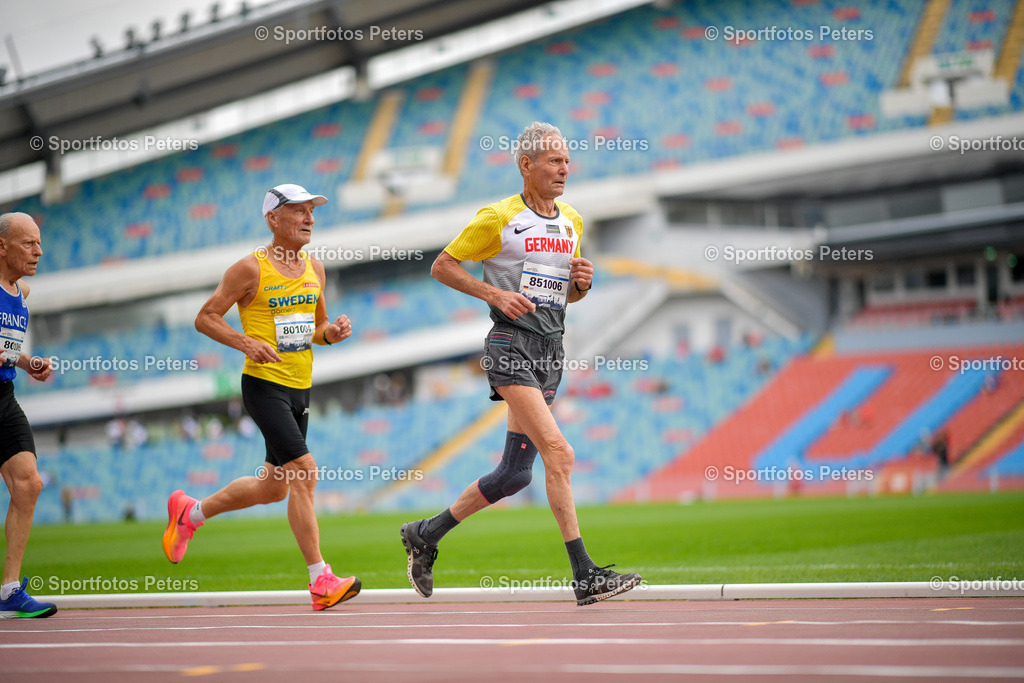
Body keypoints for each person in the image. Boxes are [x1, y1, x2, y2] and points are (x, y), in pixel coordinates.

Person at [401, 123, 642, 606]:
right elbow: (442, 265)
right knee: (561, 454)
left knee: (515, 475)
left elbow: (567, 294)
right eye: (554, 161)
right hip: (510, 345)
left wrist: (583, 282)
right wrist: (493, 293)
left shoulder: (571, 219)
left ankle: (425, 534)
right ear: (526, 165)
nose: (564, 170)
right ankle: (585, 575)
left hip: (552, 350)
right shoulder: (498, 217)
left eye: (568, 162)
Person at [162, 184, 360, 611]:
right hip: (263, 386)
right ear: (273, 219)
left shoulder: (315, 269)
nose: (309, 218)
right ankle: (320, 580)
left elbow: (317, 327)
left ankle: (189, 513)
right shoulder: (248, 270)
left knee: (274, 489)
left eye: (312, 211)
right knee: (305, 471)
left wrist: (334, 334)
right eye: (299, 211)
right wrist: (246, 343)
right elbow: (205, 317)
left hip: (300, 387)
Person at [0, 212, 57, 619]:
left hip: (4, 396)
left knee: (29, 483)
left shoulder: (22, 291)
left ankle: (9, 590)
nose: (38, 251)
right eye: (28, 244)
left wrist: (26, 362)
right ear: (2, 247)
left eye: (38, 243)